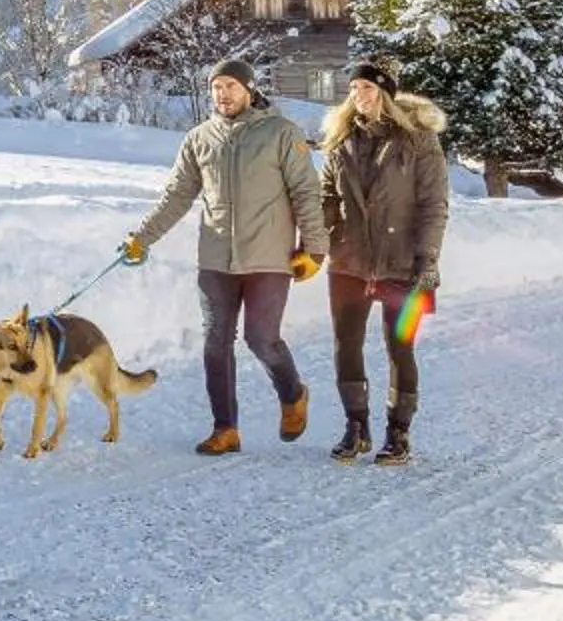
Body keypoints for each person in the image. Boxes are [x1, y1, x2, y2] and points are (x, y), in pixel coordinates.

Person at [120, 57, 325, 455]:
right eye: (216, 87)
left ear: (249, 89)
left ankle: (293, 394)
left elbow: (305, 192)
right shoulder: (199, 138)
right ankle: (225, 429)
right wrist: (141, 238)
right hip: (216, 258)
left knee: (261, 339)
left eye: (230, 86)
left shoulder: (281, 133)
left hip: (269, 256)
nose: (223, 94)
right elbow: (177, 196)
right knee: (216, 342)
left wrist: (315, 248)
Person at [316, 59, 449, 466]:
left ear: (386, 93)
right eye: (354, 89)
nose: (359, 96)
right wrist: (319, 241)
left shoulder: (419, 141)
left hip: (404, 262)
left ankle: (398, 433)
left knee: (400, 347)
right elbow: (328, 199)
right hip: (349, 262)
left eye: (368, 88)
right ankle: (356, 427)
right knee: (346, 346)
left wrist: (427, 260)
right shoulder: (341, 142)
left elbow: (433, 206)